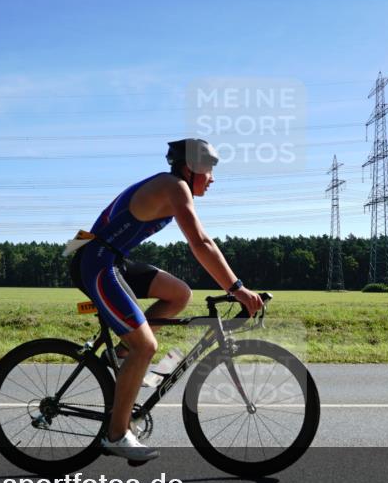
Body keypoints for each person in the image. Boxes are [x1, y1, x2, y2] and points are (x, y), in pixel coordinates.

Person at [67, 138, 263, 462]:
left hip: (106, 257)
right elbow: (200, 243)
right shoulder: (174, 186)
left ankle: (121, 357)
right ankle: (116, 434)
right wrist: (237, 288)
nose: (212, 178)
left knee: (180, 294)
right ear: (191, 168)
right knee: (147, 346)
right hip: (96, 261)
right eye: (210, 170)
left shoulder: (170, 185)